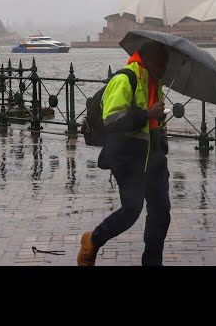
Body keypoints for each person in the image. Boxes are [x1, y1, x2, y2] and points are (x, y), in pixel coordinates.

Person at [77, 41, 170, 266]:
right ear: (146, 60)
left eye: (165, 65)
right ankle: (94, 239)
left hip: (154, 158)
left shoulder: (155, 84)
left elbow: (152, 124)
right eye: (160, 64)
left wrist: (159, 123)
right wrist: (147, 114)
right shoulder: (124, 79)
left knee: (161, 212)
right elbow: (113, 120)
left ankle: (152, 262)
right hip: (129, 158)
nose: (163, 69)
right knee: (132, 210)